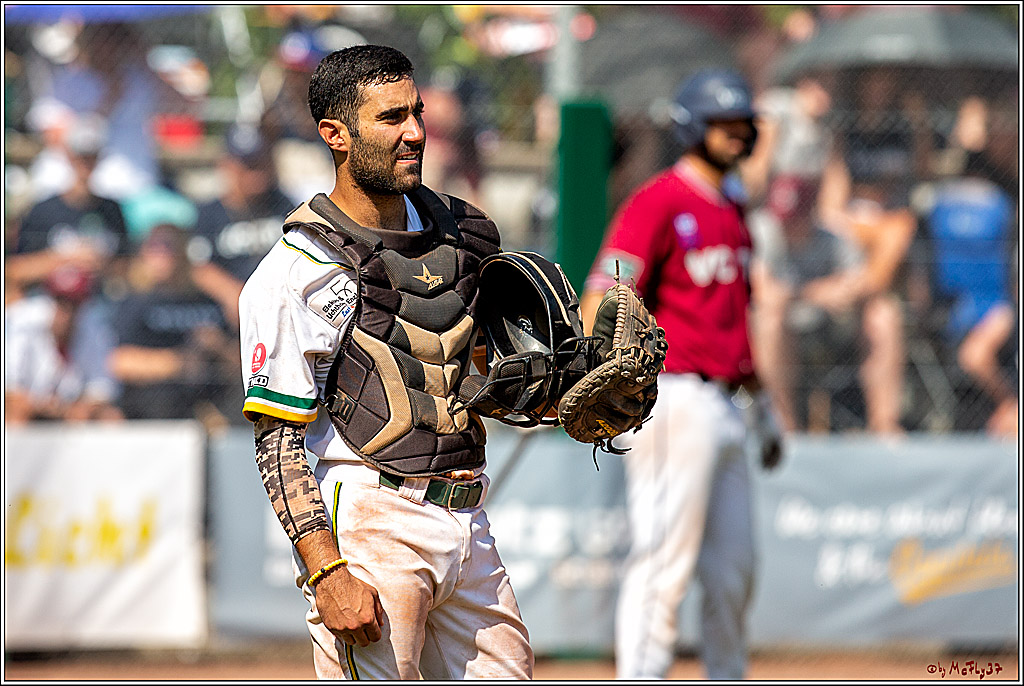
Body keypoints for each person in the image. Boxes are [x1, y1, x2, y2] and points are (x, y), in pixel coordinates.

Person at [236, 45, 533, 679]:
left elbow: (476, 375)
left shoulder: (466, 234)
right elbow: (279, 442)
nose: (415, 133)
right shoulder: (297, 270)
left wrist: (560, 396)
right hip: (371, 517)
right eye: (391, 118)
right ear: (335, 135)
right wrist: (324, 571)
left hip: (468, 511)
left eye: (417, 112)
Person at [580, 69, 783, 680]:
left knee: (733, 573)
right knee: (663, 563)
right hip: (673, 399)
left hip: (728, 402)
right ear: (692, 126)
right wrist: (606, 368)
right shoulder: (660, 198)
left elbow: (736, 320)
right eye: (723, 122)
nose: (736, 133)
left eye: (742, 123)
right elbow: (605, 288)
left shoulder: (734, 204)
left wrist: (766, 408)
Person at [816, 66, 929, 434]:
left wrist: (919, 122)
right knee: (894, 230)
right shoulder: (846, 129)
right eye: (872, 78)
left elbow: (920, 180)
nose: (880, 85)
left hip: (888, 244)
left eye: (887, 78)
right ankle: (866, 283)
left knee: (885, 315)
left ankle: (885, 426)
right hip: (853, 233)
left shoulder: (905, 128)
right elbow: (831, 206)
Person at [108, 223, 241, 428]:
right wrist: (179, 363)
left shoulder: (205, 300)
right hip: (160, 396)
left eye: (169, 246)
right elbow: (120, 362)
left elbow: (241, 360)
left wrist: (218, 346)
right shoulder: (136, 302)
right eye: (155, 247)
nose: (162, 255)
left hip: (212, 388)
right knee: (159, 399)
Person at [5, 114, 131, 300]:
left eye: (92, 156)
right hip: (49, 303)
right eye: (81, 156)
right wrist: (67, 260)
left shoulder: (112, 210)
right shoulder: (43, 211)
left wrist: (101, 264)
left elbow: (128, 267)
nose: (86, 163)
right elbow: (14, 270)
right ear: (69, 156)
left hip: (98, 305)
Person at [188, 123, 296, 327]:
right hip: (230, 314)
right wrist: (235, 294)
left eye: (259, 162)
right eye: (247, 165)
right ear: (227, 165)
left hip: (282, 306)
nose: (256, 173)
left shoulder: (284, 204)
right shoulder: (210, 213)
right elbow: (199, 266)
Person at [4, 264, 123, 424]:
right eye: (60, 300)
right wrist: (44, 406)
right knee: (15, 415)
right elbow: (10, 392)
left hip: (68, 410)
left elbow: (103, 387)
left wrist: (82, 407)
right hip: (32, 409)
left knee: (110, 418)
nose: (66, 310)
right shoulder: (21, 320)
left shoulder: (95, 326)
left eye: (74, 303)